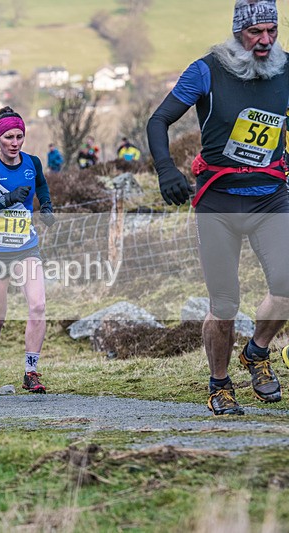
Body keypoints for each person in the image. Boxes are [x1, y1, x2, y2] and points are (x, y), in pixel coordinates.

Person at [146, 0, 289, 415]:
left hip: (270, 196)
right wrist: (165, 170)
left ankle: (257, 353)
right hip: (218, 201)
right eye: (255, 33)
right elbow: (158, 121)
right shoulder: (207, 69)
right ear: (238, 32)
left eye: (272, 31)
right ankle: (219, 385)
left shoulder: (285, 68)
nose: (264, 41)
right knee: (224, 303)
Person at [0, 106, 56, 400]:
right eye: (8, 136)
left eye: (19, 136)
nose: (15, 142)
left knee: (38, 305)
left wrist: (46, 206)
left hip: (26, 247)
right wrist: (4, 200)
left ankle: (31, 372)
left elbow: (41, 186)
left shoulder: (32, 162)